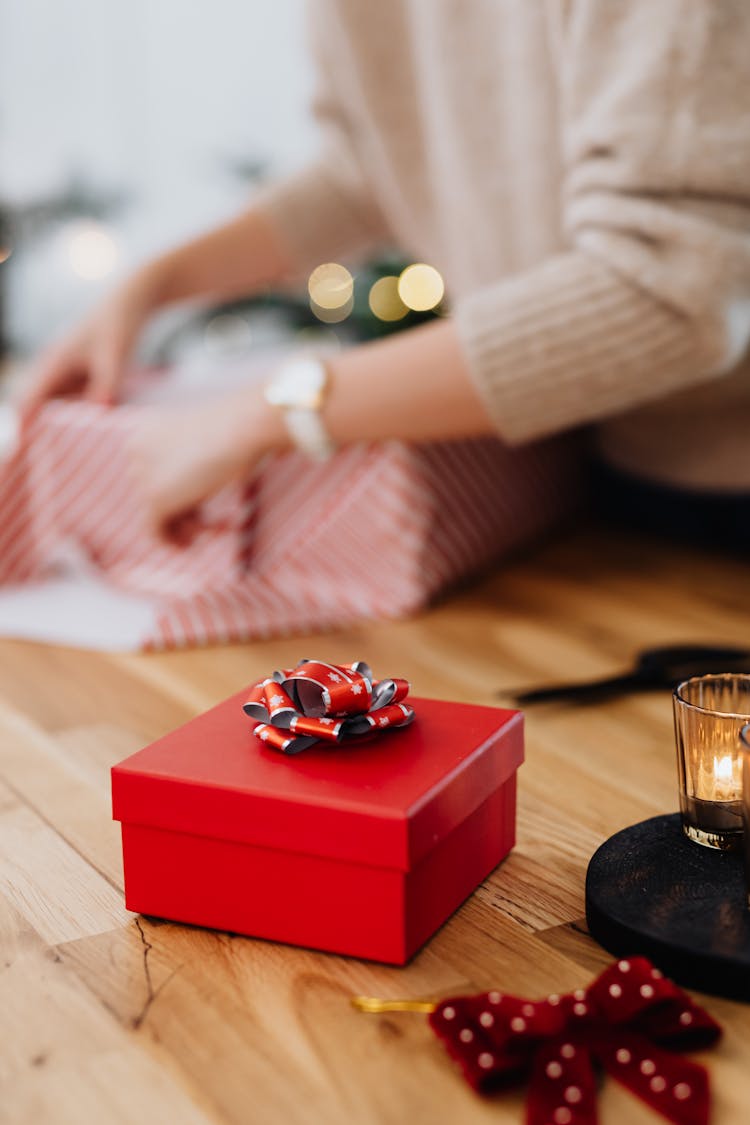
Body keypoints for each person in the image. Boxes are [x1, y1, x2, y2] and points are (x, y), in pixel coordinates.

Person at [18, 1, 750, 546]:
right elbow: (366, 169)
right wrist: (154, 284)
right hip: (598, 472)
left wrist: (267, 413)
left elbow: (671, 293)